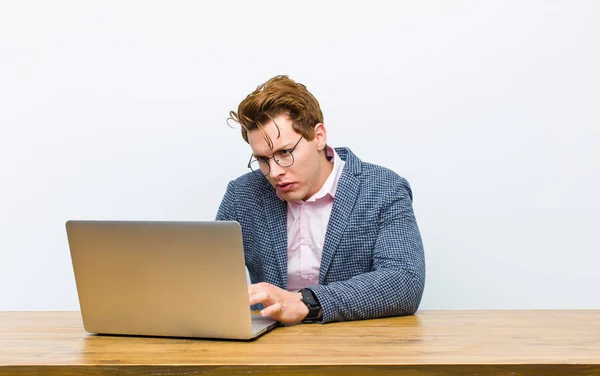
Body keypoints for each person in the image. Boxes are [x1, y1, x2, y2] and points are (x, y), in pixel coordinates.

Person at [217, 75, 425, 324]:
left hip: (358, 345)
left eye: (285, 152)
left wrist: (306, 302)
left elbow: (404, 281)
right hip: (268, 348)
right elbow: (207, 278)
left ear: (318, 136)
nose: (274, 172)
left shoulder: (383, 188)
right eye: (262, 159)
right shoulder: (243, 195)